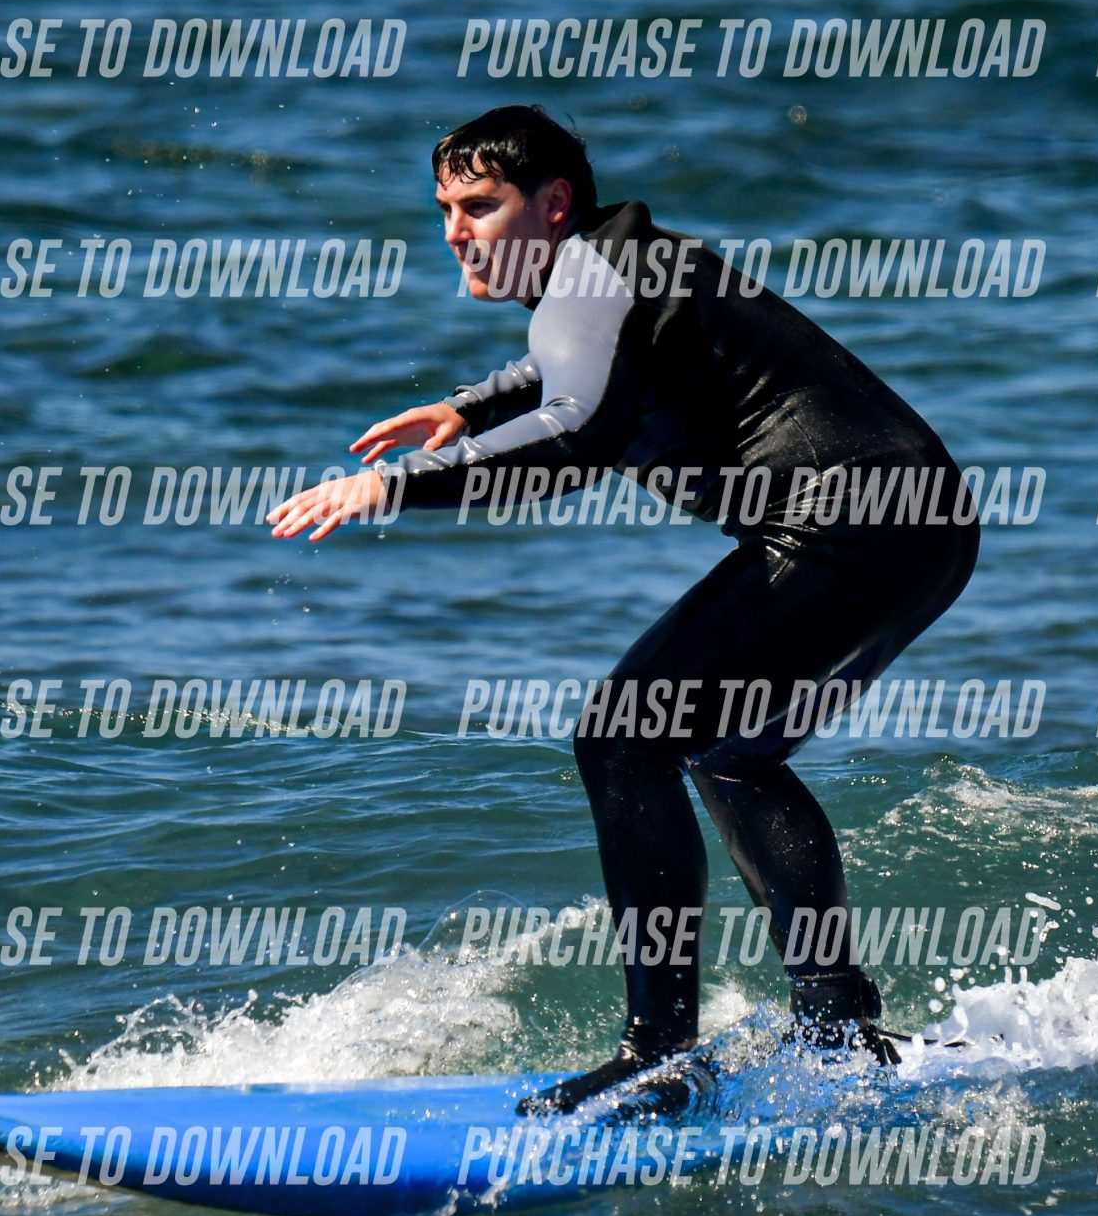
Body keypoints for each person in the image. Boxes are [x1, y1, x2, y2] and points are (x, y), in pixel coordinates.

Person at [264, 105, 978, 1118]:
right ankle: (835, 1026)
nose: (456, 232)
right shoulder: (614, 268)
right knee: (731, 752)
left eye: (480, 206)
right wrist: (474, 406)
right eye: (444, 209)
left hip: (847, 522)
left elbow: (577, 433)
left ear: (553, 203)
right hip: (922, 521)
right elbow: (586, 366)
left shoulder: (590, 281)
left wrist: (398, 484)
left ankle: (657, 1054)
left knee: (624, 735)